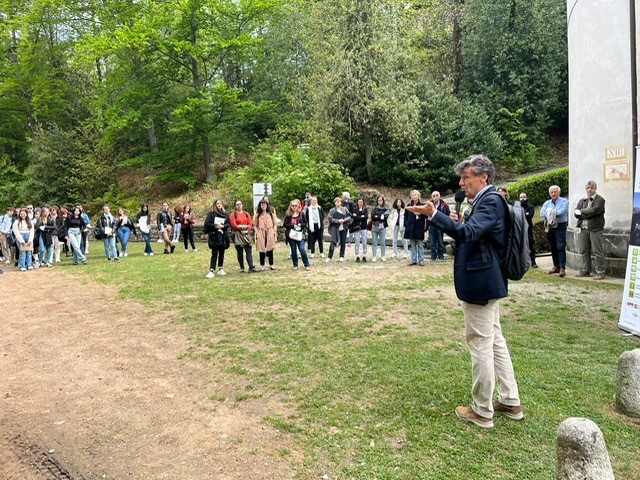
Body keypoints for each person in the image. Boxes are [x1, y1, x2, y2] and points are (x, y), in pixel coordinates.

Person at [407, 154, 522, 429]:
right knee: (494, 340)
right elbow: (475, 230)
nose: (461, 182)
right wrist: (456, 219)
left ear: (484, 177)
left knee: (481, 342)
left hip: (481, 282)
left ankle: (482, 410)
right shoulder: (485, 201)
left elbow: (467, 234)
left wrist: (433, 213)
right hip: (487, 280)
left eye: (466, 177)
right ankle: (510, 400)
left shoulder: (491, 200)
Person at [574, 180, 606, 280]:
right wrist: (586, 213)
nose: (589, 189)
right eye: (588, 188)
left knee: (597, 251)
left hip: (595, 229)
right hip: (583, 228)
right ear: (585, 189)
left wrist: (582, 212)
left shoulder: (600, 200)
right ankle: (586, 270)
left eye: (592, 188)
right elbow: (575, 213)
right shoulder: (582, 200)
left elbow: (595, 210)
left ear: (595, 188)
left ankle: (600, 272)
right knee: (584, 250)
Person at [540, 185, 569, 277]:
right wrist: (553, 212)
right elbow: (541, 213)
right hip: (550, 226)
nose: (553, 194)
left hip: (560, 225)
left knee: (560, 246)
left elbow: (561, 212)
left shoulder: (564, 201)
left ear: (559, 192)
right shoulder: (547, 203)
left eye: (555, 192)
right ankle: (556, 266)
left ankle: (562, 268)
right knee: (553, 247)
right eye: (551, 192)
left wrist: (549, 212)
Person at [203, 199, 230, 278]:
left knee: (222, 252)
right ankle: (211, 270)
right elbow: (207, 224)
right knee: (214, 253)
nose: (219, 205)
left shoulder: (225, 213)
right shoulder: (211, 213)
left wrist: (223, 226)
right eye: (217, 203)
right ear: (215, 204)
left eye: (220, 203)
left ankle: (220, 268)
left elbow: (228, 223)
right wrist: (215, 226)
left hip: (222, 235)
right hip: (214, 235)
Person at [229, 200, 257, 273]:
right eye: (237, 204)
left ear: (242, 205)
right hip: (238, 235)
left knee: (248, 250)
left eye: (240, 204)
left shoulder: (246, 214)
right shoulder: (233, 215)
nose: (239, 206)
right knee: (240, 252)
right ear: (235, 206)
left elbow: (250, 223)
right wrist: (241, 229)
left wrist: (247, 230)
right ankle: (242, 267)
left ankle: (251, 267)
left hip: (246, 234)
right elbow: (233, 224)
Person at [284, 199, 311, 270]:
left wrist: (300, 225)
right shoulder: (288, 214)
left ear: (298, 205)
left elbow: (305, 224)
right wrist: (293, 226)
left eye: (296, 205)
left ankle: (307, 264)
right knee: (293, 250)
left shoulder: (302, 214)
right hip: (291, 235)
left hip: (300, 234)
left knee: (302, 249)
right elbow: (285, 224)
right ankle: (295, 265)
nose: (294, 207)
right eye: (293, 205)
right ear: (291, 206)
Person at [404, 190, 427, 266]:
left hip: (419, 227)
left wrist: (420, 214)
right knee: (412, 244)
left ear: (418, 196)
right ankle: (413, 260)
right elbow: (405, 216)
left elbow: (427, 215)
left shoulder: (422, 205)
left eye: (416, 195)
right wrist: (406, 224)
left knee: (420, 244)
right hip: (410, 228)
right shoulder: (409, 205)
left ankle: (421, 260)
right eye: (413, 195)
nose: (414, 196)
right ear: (411, 196)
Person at [326, 197, 351, 263]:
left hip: (343, 228)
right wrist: (338, 221)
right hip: (335, 228)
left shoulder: (344, 209)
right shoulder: (332, 210)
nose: (338, 203)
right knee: (333, 242)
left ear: (341, 202)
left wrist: (344, 220)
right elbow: (330, 218)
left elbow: (349, 216)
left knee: (343, 242)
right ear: (334, 203)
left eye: (339, 201)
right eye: (336, 201)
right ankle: (329, 257)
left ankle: (341, 256)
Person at [427, 191, 450, 262]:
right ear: (432, 197)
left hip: (440, 226)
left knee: (440, 242)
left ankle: (441, 257)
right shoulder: (429, 204)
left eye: (437, 195)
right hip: (432, 225)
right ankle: (433, 257)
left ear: (439, 196)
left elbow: (447, 214)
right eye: (433, 196)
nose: (435, 197)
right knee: (432, 242)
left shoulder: (444, 204)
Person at [254, 199, 277, 270]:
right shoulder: (257, 215)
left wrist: (274, 231)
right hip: (261, 231)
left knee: (270, 248)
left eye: (264, 205)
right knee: (262, 248)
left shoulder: (270, 214)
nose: (263, 206)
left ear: (267, 205)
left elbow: (275, 223)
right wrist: (257, 232)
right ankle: (262, 265)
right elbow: (254, 225)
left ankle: (271, 264)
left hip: (270, 231)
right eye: (262, 205)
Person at [517, 193, 538, 268]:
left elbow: (530, 216)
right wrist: (525, 214)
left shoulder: (530, 207)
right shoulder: (517, 207)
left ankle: (533, 261)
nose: (522, 199)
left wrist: (523, 215)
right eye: (521, 197)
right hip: (519, 228)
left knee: (530, 244)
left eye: (524, 197)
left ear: (527, 198)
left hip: (528, 228)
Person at [370, 195, 390, 262]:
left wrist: (377, 216)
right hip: (374, 226)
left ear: (383, 201)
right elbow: (373, 217)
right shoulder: (374, 208)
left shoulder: (386, 208)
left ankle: (383, 256)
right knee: (374, 242)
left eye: (381, 200)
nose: (380, 201)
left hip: (382, 227)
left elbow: (385, 217)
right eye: (378, 200)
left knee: (382, 242)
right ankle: (374, 256)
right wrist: (380, 216)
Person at [352, 197, 368, 263]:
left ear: (363, 202)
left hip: (364, 227)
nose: (360, 203)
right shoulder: (355, 209)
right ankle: (357, 256)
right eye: (359, 201)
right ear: (357, 202)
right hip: (357, 227)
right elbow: (354, 217)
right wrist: (361, 216)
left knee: (364, 241)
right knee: (357, 242)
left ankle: (364, 255)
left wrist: (358, 216)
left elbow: (366, 217)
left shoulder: (365, 209)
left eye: (361, 201)